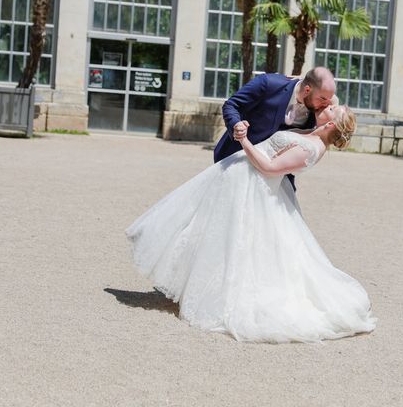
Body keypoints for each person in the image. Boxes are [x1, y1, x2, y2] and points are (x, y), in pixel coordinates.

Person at [126, 104, 376, 343]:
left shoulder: (312, 148)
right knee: (207, 230)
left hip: (253, 188)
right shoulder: (311, 133)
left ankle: (218, 296)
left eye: (332, 109)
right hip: (239, 178)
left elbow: (269, 167)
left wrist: (243, 140)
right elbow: (323, 104)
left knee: (236, 244)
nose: (328, 106)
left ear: (331, 123)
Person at [213, 66, 336, 163]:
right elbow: (231, 105)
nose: (326, 104)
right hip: (236, 158)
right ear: (307, 90)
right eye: (323, 99)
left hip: (274, 175)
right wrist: (236, 124)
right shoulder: (268, 83)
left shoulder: (318, 105)